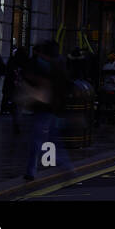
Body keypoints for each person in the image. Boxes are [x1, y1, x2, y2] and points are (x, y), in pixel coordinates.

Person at [22, 42, 75, 181]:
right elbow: (68, 86)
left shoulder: (46, 66)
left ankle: (32, 171)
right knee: (52, 141)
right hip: (54, 109)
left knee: (38, 140)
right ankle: (67, 168)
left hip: (45, 108)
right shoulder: (60, 66)